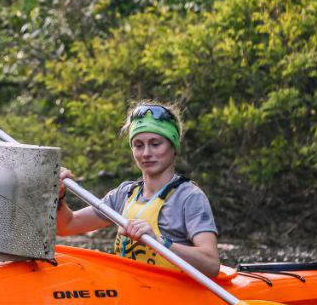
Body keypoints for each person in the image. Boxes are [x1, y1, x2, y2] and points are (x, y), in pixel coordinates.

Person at [55, 102, 221, 278]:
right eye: (139, 145)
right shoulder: (125, 194)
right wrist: (59, 195)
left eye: (155, 144)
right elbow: (66, 226)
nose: (146, 153)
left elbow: (211, 264)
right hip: (128, 294)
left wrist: (159, 242)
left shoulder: (189, 197)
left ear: (173, 147)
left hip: (171, 295)